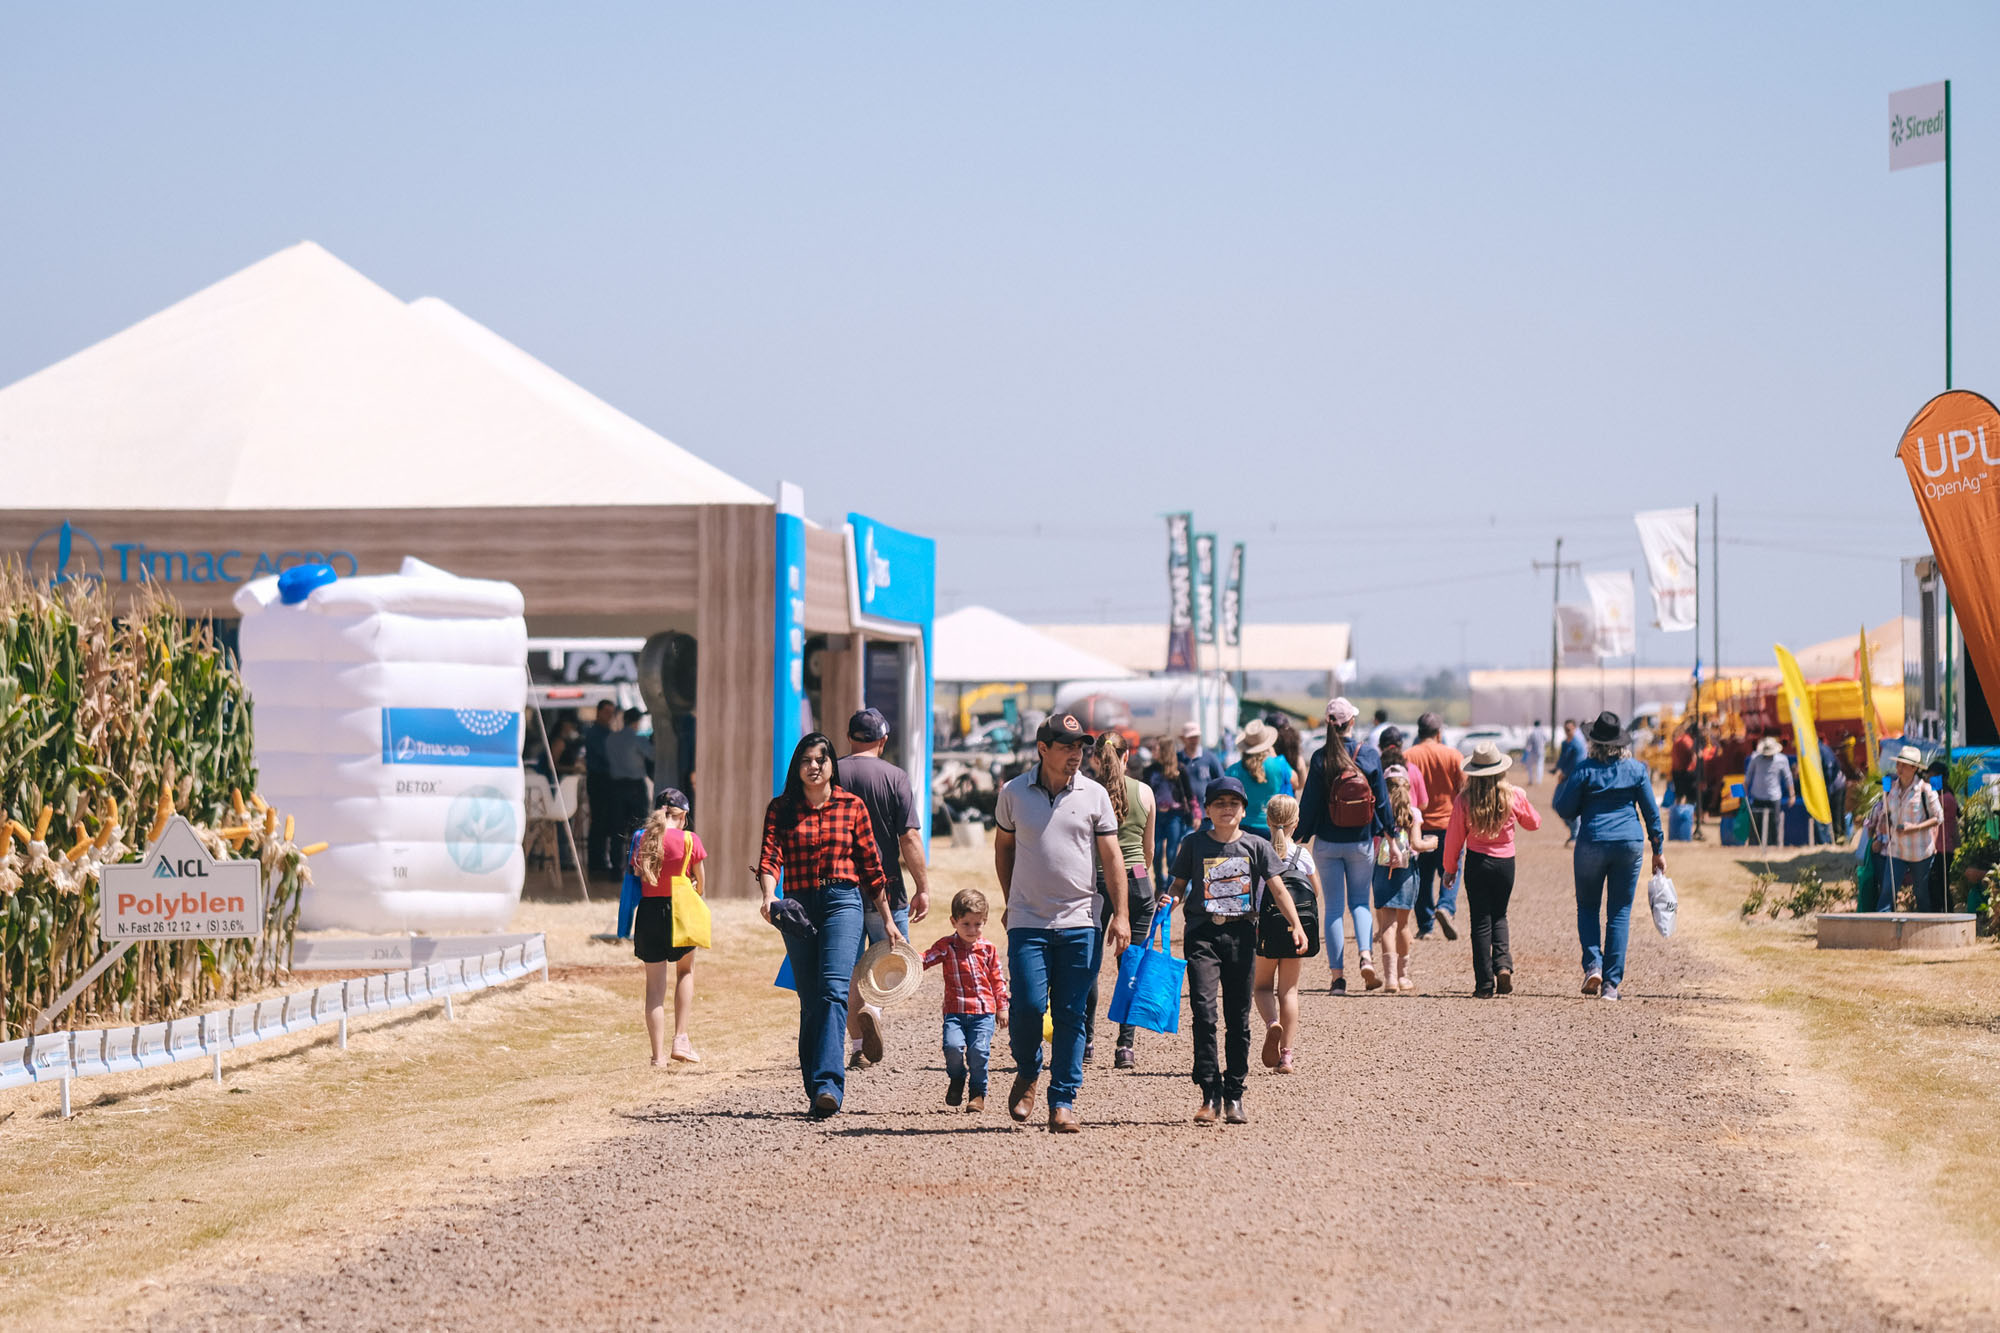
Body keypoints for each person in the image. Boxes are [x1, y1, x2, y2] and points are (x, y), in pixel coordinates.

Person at [994, 711, 1131, 1133]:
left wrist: (1121, 914)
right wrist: (1010, 899)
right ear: (1043, 749)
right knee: (1029, 1006)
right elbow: (1004, 850)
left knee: (1073, 1013)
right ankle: (1029, 1070)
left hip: (1080, 919)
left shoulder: (1095, 795)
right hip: (1028, 920)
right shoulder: (1013, 793)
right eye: (1067, 746)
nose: (1077, 754)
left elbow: (1112, 857)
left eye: (1080, 747)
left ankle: (1063, 1100)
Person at [757, 733, 900, 1119]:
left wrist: (887, 920)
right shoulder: (781, 808)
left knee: (834, 991)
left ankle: (828, 1085)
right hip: (797, 905)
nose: (814, 766)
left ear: (832, 764)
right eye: (806, 759)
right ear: (797, 766)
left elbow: (872, 868)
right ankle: (816, 1086)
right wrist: (770, 897)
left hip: (843, 902)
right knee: (810, 999)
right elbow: (770, 856)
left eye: (821, 759)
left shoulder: (852, 806)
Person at [1160, 776, 1307, 1125]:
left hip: (1242, 936)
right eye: (1219, 803)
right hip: (1203, 936)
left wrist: (1296, 925)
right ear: (1207, 809)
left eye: (1233, 803)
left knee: (1238, 1020)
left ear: (1243, 810)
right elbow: (1178, 886)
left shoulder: (1256, 846)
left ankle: (1235, 1094)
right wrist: (1170, 901)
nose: (1226, 809)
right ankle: (1209, 1093)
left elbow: (1279, 889)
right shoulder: (1193, 844)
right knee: (1204, 1013)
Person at [836, 707, 931, 1067]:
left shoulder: (834, 775)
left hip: (840, 889)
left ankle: (859, 1045)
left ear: (849, 738)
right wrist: (923, 885)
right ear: (884, 740)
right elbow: (908, 838)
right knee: (889, 963)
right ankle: (873, 1009)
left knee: (846, 970)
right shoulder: (895, 777)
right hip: (887, 889)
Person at [1553, 711, 1665, 1002]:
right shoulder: (1637, 770)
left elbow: (1565, 808)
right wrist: (1658, 850)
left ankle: (1593, 965)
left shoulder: (1584, 769)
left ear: (1594, 742)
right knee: (1619, 912)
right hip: (1629, 842)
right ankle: (1611, 986)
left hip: (1592, 840)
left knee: (1588, 906)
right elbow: (1652, 813)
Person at [1295, 697, 1389, 993]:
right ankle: (1365, 956)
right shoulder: (1369, 755)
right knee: (1361, 902)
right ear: (1352, 722)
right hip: (1361, 841)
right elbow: (1383, 803)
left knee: (1334, 908)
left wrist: (1299, 836)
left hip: (1327, 842)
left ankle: (1337, 978)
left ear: (1328, 724)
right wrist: (1391, 832)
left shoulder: (1322, 758)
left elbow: (1308, 804)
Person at [1441, 743, 1540, 999]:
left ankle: (1484, 984)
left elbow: (1454, 838)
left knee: (1480, 921)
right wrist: (1522, 802)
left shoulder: (1464, 799)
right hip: (1505, 862)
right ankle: (1503, 965)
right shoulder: (1513, 794)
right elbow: (1534, 823)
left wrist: (1450, 869)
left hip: (1477, 862)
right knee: (1500, 916)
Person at [1083, 732, 1156, 1068]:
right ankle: (1125, 1045)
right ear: (1127, 757)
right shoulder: (1145, 792)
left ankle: (1086, 1041)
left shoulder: (1087, 792)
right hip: (1138, 880)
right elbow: (1150, 849)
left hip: (1097, 881)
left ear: (1095, 758)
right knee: (1132, 965)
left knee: (1088, 965)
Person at [631, 788, 705, 1065]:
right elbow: (701, 881)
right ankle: (681, 1039)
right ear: (683, 815)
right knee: (685, 971)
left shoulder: (643, 838)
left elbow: (636, 876)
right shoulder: (689, 840)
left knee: (653, 989)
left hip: (649, 912)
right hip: (680, 909)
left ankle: (657, 1057)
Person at [921, 887, 1009, 1111]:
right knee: (952, 1047)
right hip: (955, 1012)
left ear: (985, 921)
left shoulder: (988, 949)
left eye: (978, 924)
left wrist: (1002, 1007)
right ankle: (957, 1078)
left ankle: (978, 1092)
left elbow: (998, 979)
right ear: (954, 921)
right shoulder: (946, 946)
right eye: (966, 924)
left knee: (979, 1051)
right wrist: (905, 960)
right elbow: (925, 960)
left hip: (983, 1013)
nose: (972, 930)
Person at [1254, 794, 1319, 1073]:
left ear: (1267, 820)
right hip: (1295, 930)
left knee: (1261, 987)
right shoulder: (1303, 855)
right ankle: (1287, 1057)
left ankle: (1272, 1024)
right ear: (1296, 822)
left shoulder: (1258, 851)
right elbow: (1315, 893)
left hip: (1266, 929)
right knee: (1289, 991)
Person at [1371, 766, 1433, 992]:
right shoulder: (1413, 813)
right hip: (1406, 872)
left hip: (1381, 869)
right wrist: (1432, 844)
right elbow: (1416, 844)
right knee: (1404, 926)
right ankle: (1403, 975)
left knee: (1387, 925)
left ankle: (1389, 978)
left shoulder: (1378, 812)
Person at [1404, 713, 1465, 940]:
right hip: (1449, 825)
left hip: (1418, 826)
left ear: (1418, 731)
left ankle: (1425, 925)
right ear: (1439, 733)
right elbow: (1464, 789)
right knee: (1451, 870)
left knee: (1422, 876)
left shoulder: (1408, 757)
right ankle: (1446, 907)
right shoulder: (1453, 756)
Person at [1876, 747, 1944, 911]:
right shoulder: (1891, 788)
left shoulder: (1926, 790)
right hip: (1897, 850)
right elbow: (1885, 813)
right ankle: (1883, 929)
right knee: (1887, 891)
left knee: (1921, 894)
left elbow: (1938, 817)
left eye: (1904, 765)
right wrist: (1884, 823)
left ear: (1914, 768)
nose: (1899, 768)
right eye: (1898, 764)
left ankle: (1925, 931)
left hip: (1920, 851)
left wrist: (1915, 828)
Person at [1225, 720, 1295, 839]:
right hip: (1272, 826)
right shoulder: (1279, 764)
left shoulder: (1233, 770)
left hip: (1243, 827)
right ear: (1267, 744)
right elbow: (1297, 782)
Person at [605, 707, 654, 858]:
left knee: (617, 828)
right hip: (635, 787)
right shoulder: (638, 740)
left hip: (615, 786)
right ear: (637, 722)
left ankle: (615, 866)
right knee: (639, 828)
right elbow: (653, 756)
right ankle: (636, 864)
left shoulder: (610, 739)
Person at [1145, 736, 1196, 871]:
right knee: (1155, 852)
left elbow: (1189, 794)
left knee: (1172, 853)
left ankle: (1171, 886)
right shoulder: (1150, 770)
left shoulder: (1179, 769)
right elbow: (1144, 793)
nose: (1153, 751)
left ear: (1165, 750)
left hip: (1175, 815)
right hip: (1155, 816)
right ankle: (1160, 884)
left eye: (1156, 748)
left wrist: (1195, 814)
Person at [583, 700, 618, 876]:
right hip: (598, 779)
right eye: (606, 712)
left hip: (608, 780)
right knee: (598, 822)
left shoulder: (608, 733)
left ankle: (602, 861)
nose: (609, 716)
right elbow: (605, 756)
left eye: (611, 712)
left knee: (605, 822)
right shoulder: (595, 733)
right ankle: (596, 864)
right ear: (598, 712)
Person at [1743, 736, 1794, 846]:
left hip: (1774, 796)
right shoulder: (1755, 759)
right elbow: (1748, 777)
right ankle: (1754, 846)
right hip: (1757, 795)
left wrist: (1792, 795)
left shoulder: (1782, 760)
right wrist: (1744, 793)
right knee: (1756, 824)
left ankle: (1774, 846)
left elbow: (1788, 778)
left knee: (1774, 823)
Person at [1928, 758, 1959, 910]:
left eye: (1933, 777)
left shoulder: (1945, 799)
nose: (1930, 781)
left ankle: (1947, 912)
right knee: (1937, 884)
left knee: (1941, 885)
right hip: (1938, 848)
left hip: (1943, 849)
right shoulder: (1941, 796)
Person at [1176, 720, 1226, 811]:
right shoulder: (1177, 759)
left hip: (1207, 811)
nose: (1194, 740)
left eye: (1196, 737)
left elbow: (1221, 780)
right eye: (1190, 737)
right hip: (1184, 812)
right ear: (1183, 739)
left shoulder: (1210, 757)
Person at [1554, 719, 1586, 845]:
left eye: (1570, 729)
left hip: (1572, 779)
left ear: (1574, 729)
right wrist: (1556, 769)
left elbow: (1577, 763)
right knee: (1556, 804)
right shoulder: (1564, 743)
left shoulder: (1578, 744)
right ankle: (1573, 830)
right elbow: (1562, 759)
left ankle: (1575, 835)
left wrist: (1565, 774)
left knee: (1572, 806)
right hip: (1564, 779)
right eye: (1565, 729)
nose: (1567, 732)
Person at [1521, 720, 1547, 788]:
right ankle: (1539, 781)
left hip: (1533, 752)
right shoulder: (1542, 732)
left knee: (1530, 766)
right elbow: (1547, 739)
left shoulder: (1532, 733)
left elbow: (1528, 743)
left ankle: (1531, 780)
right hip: (1541, 751)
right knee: (1540, 766)